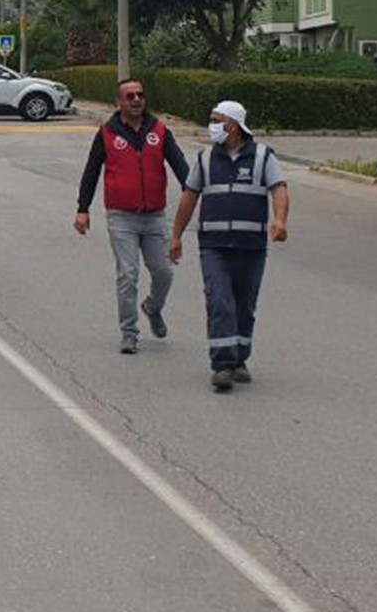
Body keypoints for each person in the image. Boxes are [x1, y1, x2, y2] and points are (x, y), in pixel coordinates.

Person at [168, 101, 289, 394]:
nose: (211, 125)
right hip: (214, 246)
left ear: (233, 125)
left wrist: (279, 220)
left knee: (244, 305)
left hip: (251, 247)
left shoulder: (262, 157)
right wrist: (176, 235)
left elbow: (279, 188)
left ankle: (239, 360)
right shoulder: (206, 159)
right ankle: (222, 365)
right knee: (220, 302)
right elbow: (189, 196)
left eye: (216, 120)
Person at [74, 78, 190, 355]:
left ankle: (153, 307)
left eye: (140, 95)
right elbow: (91, 172)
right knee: (128, 274)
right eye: (130, 96)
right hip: (121, 217)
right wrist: (82, 208)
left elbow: (181, 167)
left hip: (154, 217)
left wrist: (193, 191)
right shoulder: (107, 133)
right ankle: (129, 332)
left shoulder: (159, 131)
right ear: (119, 102)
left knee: (164, 273)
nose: (136, 100)